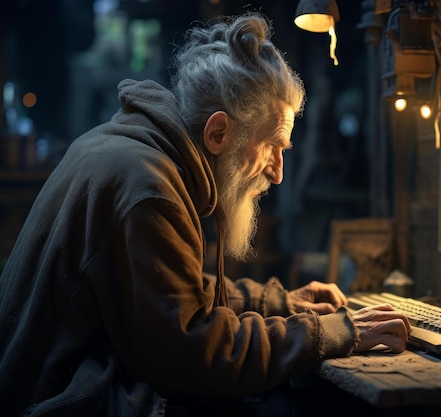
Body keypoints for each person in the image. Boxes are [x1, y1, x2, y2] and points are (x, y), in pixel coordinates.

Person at [0, 12, 411, 417]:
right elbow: (197, 351)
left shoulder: (135, 150)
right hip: (60, 400)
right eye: (273, 146)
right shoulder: (147, 188)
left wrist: (282, 302)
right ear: (218, 133)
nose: (278, 172)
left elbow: (171, 291)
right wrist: (334, 332)